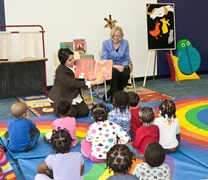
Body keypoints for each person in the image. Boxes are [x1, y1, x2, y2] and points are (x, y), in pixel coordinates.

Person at [48, 48, 105, 117]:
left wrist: (89, 77)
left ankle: (68, 108)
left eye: (73, 58)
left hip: (73, 94)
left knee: (84, 112)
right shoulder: (60, 71)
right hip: (61, 96)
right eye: (70, 60)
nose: (73, 61)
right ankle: (57, 108)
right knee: (72, 114)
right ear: (64, 62)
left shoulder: (78, 64)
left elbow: (83, 75)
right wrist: (94, 82)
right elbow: (74, 83)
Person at [101, 26, 130, 101]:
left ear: (121, 35)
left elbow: (127, 58)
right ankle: (115, 97)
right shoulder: (106, 43)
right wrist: (114, 66)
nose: (116, 37)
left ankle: (111, 92)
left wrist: (123, 66)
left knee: (126, 74)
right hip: (111, 65)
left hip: (122, 65)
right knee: (114, 72)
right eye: (114, 35)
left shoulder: (125, 43)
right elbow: (104, 59)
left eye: (118, 36)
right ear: (111, 35)